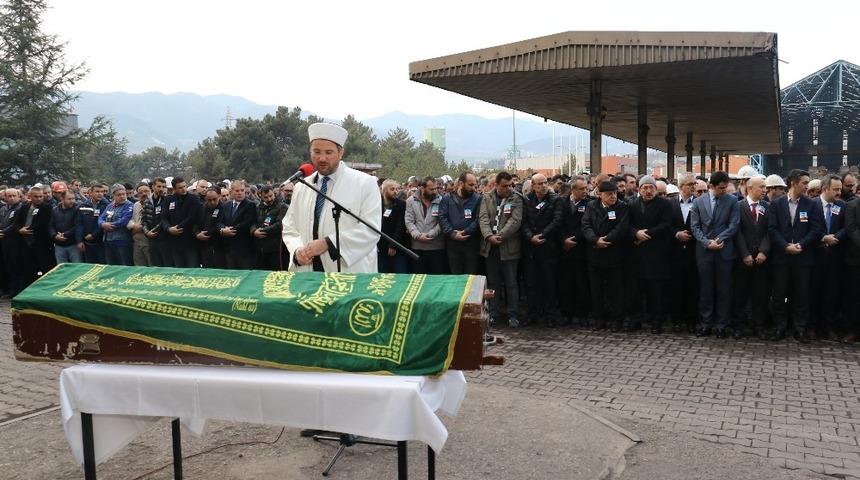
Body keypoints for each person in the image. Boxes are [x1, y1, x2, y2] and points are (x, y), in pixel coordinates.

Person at [282, 122, 381, 273]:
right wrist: (297, 251)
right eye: (317, 152)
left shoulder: (364, 183)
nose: (322, 158)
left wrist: (328, 243)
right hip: (308, 273)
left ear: (341, 153)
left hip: (349, 272)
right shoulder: (302, 186)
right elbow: (289, 227)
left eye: (328, 153)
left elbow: (371, 230)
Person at [768, 169, 824, 343]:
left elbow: (817, 229)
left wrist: (801, 245)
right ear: (793, 183)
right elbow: (772, 229)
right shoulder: (777, 204)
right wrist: (785, 246)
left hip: (803, 257)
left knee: (801, 294)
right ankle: (780, 327)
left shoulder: (812, 204)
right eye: (804, 183)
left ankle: (799, 328)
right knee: (779, 294)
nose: (807, 186)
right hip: (781, 257)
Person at [690, 171, 740, 338]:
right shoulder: (698, 202)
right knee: (706, 289)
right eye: (721, 188)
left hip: (724, 251)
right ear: (711, 186)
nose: (724, 191)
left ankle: (721, 325)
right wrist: (707, 243)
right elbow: (695, 227)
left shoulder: (732, 201)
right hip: (704, 253)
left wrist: (718, 240)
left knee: (724, 290)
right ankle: (705, 323)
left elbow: (734, 225)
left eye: (726, 188)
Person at [628, 176, 674, 334]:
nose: (648, 191)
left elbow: (666, 225)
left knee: (655, 292)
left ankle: (656, 322)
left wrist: (645, 234)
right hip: (636, 255)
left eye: (651, 188)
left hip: (657, 254)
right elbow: (626, 224)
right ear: (639, 190)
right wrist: (635, 233)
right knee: (635, 291)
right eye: (644, 188)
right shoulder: (632, 204)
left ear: (656, 189)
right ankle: (636, 320)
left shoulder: (665, 204)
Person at [582, 181, 630, 331]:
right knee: (596, 290)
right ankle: (599, 319)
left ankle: (617, 320)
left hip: (614, 254)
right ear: (600, 194)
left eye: (615, 193)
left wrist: (606, 240)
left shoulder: (622, 207)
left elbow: (621, 228)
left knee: (615, 290)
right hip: (595, 254)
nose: (613, 196)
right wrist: (596, 240)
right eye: (609, 194)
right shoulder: (591, 206)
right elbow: (585, 225)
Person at [478, 171, 523, 328]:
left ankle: (513, 315)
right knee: (493, 283)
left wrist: (500, 236)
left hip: (508, 247)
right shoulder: (486, 197)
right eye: (505, 186)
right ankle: (494, 314)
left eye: (510, 185)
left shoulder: (516, 198)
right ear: (496, 185)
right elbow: (483, 219)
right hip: (490, 248)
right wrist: (489, 236)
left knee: (511, 283)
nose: (508, 188)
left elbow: (515, 221)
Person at [521, 173, 563, 327]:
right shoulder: (526, 200)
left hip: (548, 246)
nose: (543, 185)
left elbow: (557, 220)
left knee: (549, 283)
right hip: (531, 248)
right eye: (539, 183)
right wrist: (530, 237)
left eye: (545, 182)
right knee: (531, 284)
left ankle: (550, 314)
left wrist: (542, 234)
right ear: (533, 186)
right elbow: (523, 221)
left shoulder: (555, 199)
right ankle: (532, 314)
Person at [732, 175, 770, 339]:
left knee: (760, 295)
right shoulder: (738, 206)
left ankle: (758, 326)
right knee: (740, 294)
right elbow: (736, 231)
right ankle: (738, 326)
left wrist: (763, 251)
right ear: (750, 188)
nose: (764, 190)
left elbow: (770, 231)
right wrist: (745, 253)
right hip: (743, 259)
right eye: (761, 187)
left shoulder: (768, 207)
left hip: (761, 259)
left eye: (765, 187)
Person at [810, 174, 846, 340]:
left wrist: (836, 237)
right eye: (836, 189)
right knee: (813, 292)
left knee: (831, 294)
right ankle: (812, 326)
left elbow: (847, 227)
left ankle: (828, 326)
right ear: (825, 189)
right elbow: (808, 228)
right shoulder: (812, 205)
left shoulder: (842, 206)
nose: (839, 192)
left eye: (840, 189)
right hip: (814, 256)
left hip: (834, 257)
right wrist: (823, 238)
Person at [558, 176, 593, 327]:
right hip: (564, 250)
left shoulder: (590, 203)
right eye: (581, 189)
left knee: (582, 284)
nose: (585, 191)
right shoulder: (561, 202)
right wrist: (563, 240)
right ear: (572, 189)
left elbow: (587, 225)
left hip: (581, 249)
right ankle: (567, 314)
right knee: (566, 284)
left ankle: (582, 314)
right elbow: (557, 222)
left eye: (586, 188)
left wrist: (574, 239)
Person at [670, 173, 699, 333]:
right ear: (681, 187)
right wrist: (676, 234)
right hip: (675, 253)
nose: (693, 187)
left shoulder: (700, 204)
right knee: (676, 287)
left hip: (694, 252)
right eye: (690, 184)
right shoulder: (671, 204)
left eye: (694, 184)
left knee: (692, 287)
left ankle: (691, 320)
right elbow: (667, 224)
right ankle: (676, 320)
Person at [439, 172, 482, 275]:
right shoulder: (447, 199)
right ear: (461, 184)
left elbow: (479, 219)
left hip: (471, 243)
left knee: (470, 276)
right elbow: (442, 218)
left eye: (474, 185)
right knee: (455, 275)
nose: (473, 188)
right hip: (452, 244)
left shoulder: (478, 199)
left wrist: (465, 232)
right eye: (470, 185)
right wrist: (452, 234)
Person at [15, 186, 55, 289]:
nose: (39, 198)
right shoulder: (24, 207)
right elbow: (17, 222)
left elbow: (43, 223)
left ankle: (45, 290)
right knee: (29, 269)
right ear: (30, 196)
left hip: (41, 244)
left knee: (44, 269)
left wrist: (27, 229)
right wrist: (20, 229)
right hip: (26, 244)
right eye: (36, 196)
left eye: (41, 196)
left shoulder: (47, 207)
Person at [405, 177, 446, 274]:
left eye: (436, 188)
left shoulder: (442, 201)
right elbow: (409, 221)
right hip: (417, 248)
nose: (435, 191)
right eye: (431, 189)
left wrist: (430, 234)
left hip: (436, 247)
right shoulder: (411, 201)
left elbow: (442, 221)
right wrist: (418, 235)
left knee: (435, 279)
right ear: (422, 188)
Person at [162, 177, 201, 268]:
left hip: (189, 239)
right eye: (180, 187)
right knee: (178, 268)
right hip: (174, 241)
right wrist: (169, 228)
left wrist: (178, 227)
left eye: (184, 186)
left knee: (192, 267)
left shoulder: (193, 199)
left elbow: (192, 217)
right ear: (174, 189)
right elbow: (164, 217)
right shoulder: (169, 199)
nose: (183, 189)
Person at [218, 180, 257, 270]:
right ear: (231, 191)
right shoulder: (225, 206)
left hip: (244, 248)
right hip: (228, 248)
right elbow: (219, 222)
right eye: (237, 191)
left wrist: (229, 230)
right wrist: (222, 230)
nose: (240, 193)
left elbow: (246, 223)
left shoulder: (250, 205)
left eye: (242, 190)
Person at [254, 185, 288, 270]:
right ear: (261, 196)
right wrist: (254, 231)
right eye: (266, 197)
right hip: (260, 248)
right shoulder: (258, 207)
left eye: (270, 196)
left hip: (275, 248)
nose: (269, 199)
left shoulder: (282, 207)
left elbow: (279, 224)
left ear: (274, 194)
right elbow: (253, 222)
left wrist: (263, 231)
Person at [377, 179, 409, 273]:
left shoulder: (401, 205)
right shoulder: (376, 204)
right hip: (380, 248)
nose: (396, 192)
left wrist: (393, 245)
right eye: (392, 189)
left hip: (397, 247)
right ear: (384, 190)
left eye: (397, 189)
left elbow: (400, 226)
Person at [99, 184, 135, 266]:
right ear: (113, 196)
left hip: (122, 241)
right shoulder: (110, 206)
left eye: (124, 194)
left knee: (124, 265)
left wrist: (109, 225)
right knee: (111, 265)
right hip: (108, 240)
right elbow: (101, 218)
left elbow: (124, 220)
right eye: (119, 195)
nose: (122, 196)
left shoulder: (129, 205)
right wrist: (102, 224)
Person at [0, 188, 23, 295]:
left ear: (19, 196)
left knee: (17, 265)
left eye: (14, 195)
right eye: (9, 196)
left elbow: (15, 224)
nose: (12, 198)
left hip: (16, 241)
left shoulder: (20, 208)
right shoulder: (3, 208)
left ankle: (18, 290)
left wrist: (3, 232)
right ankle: (11, 289)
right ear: (5, 197)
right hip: (4, 241)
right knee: (8, 265)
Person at [197, 187, 226, 269]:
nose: (212, 202)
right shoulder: (201, 208)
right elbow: (195, 223)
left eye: (214, 199)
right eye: (209, 200)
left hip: (218, 246)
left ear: (219, 196)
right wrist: (197, 234)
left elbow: (219, 224)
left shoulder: (224, 208)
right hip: (204, 245)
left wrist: (206, 233)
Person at [50, 190, 81, 264]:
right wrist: (54, 235)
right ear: (62, 199)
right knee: (61, 267)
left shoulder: (77, 209)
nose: (72, 201)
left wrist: (64, 234)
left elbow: (78, 226)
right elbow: (51, 225)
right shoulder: (55, 210)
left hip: (73, 244)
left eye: (73, 198)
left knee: (77, 267)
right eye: (69, 199)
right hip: (59, 245)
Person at [145, 178, 171, 267]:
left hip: (164, 238)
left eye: (163, 187)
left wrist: (153, 230)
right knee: (155, 265)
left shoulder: (167, 200)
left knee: (166, 265)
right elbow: (143, 219)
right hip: (151, 239)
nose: (161, 189)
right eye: (159, 186)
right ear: (153, 187)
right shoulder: (147, 201)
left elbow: (165, 219)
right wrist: (147, 232)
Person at [127, 183, 154, 267]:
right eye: (140, 192)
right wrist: (133, 226)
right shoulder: (136, 205)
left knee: (151, 264)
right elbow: (131, 219)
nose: (144, 194)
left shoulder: (154, 204)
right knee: (139, 265)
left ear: (151, 191)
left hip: (149, 239)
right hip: (137, 239)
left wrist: (142, 227)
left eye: (146, 191)